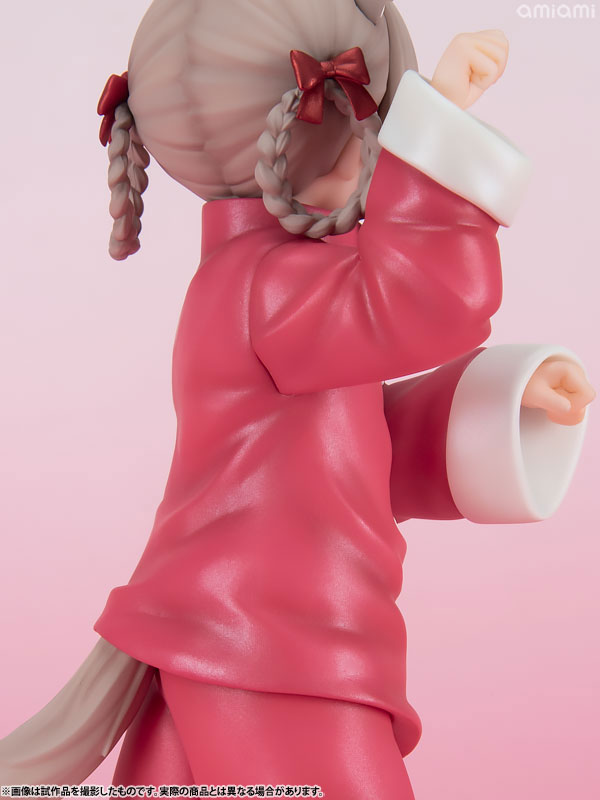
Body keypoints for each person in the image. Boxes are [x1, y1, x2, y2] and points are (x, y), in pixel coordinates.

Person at [0, 1, 594, 797]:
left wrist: (495, 408)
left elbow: (336, 453)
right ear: (347, 126)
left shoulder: (251, 283)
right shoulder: (276, 286)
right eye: (388, 127)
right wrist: (442, 122)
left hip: (229, 639)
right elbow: (427, 296)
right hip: (276, 644)